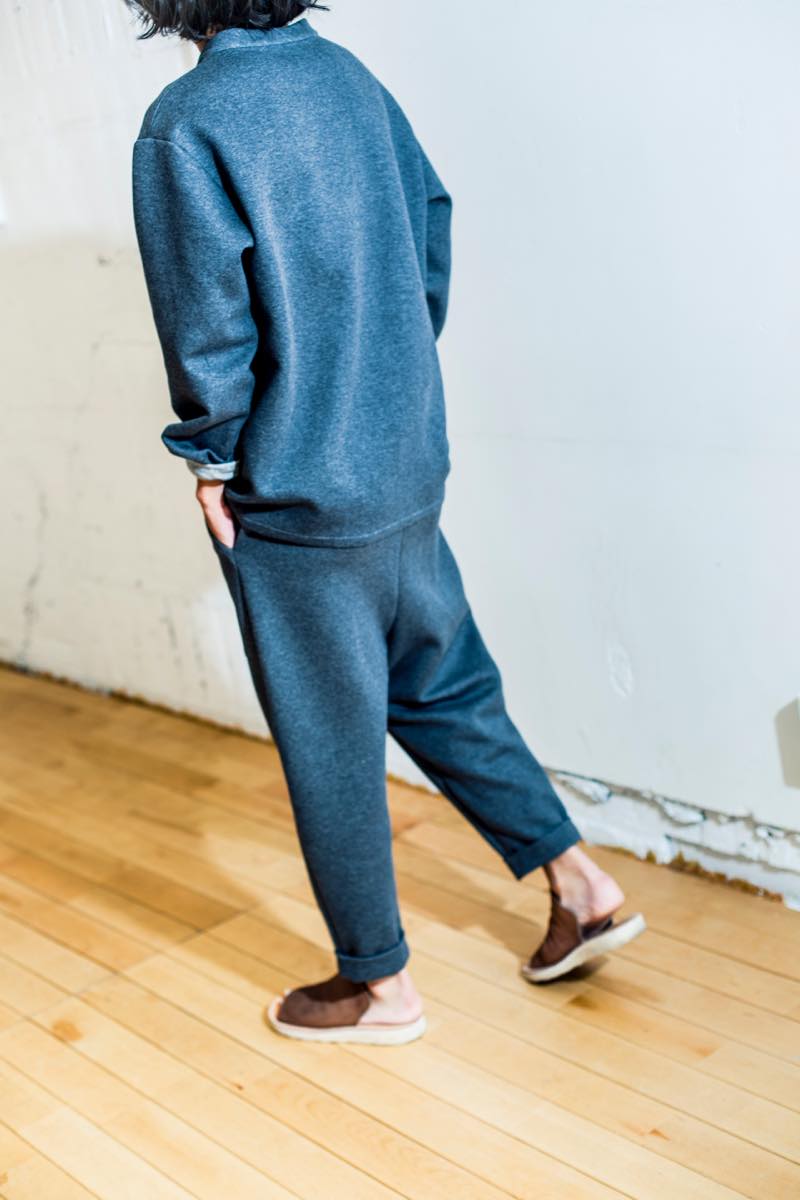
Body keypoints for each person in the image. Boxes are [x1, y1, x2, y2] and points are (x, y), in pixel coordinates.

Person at [127, 0, 646, 1045]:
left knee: (330, 743)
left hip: (299, 495)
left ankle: (379, 987)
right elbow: (429, 228)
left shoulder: (187, 122)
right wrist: (385, 374)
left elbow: (208, 320)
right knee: (443, 685)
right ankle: (581, 885)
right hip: (403, 462)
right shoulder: (349, 79)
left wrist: (213, 460)